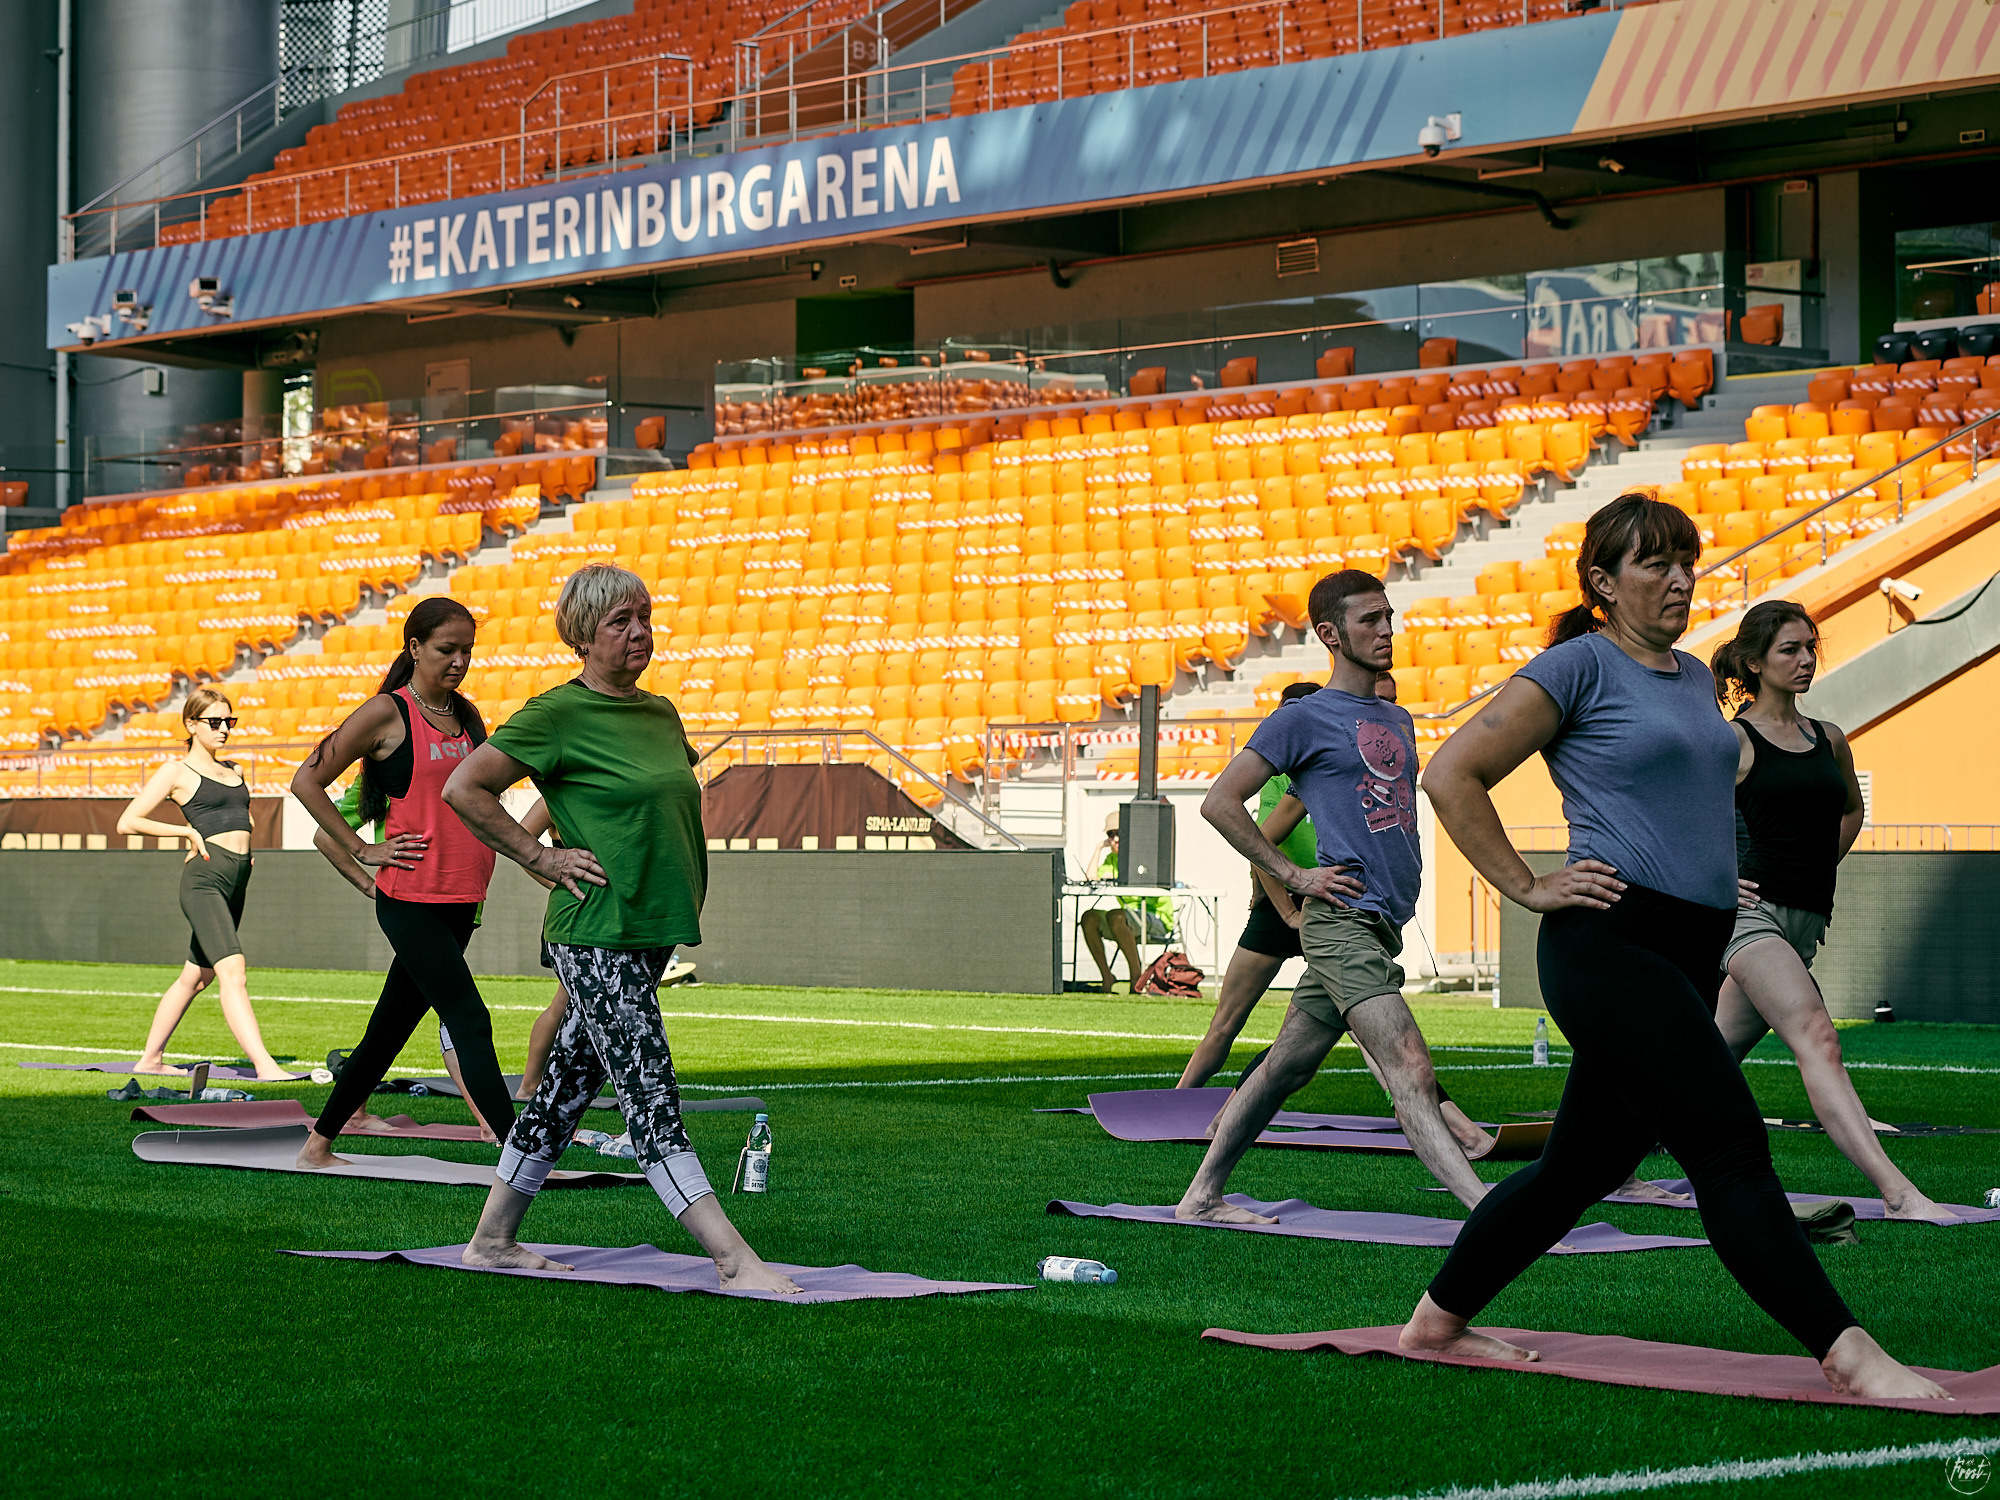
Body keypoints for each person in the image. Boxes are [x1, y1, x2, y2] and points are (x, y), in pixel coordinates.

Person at [1402, 493, 1945, 1401]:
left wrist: (1710, 875)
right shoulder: (1575, 666)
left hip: (1693, 943)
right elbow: (1450, 773)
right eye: (1655, 563)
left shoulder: (1696, 677)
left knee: (1579, 1168)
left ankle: (1435, 1321)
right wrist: (1529, 886)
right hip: (1608, 945)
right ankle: (1848, 1354)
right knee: (1728, 1144)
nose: (1680, 578)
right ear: (1603, 584)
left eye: (1687, 560)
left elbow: (1694, 799)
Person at [441, 563, 798, 1292]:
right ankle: (733, 1259)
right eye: (619, 622)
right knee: (648, 1087)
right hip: (595, 930)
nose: (638, 632)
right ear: (583, 635)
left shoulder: (660, 714)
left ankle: (492, 1239)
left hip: (649, 930)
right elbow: (463, 787)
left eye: (644, 617)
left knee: (564, 1087)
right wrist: (537, 854)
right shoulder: (555, 714)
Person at [1176, 570, 1493, 1220]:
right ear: (1329, 633)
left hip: (1380, 926)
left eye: (1389, 617)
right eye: (1370, 619)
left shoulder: (1397, 717)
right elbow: (1220, 802)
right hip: (1338, 923)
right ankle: (1490, 1214)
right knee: (1408, 1063)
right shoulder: (1303, 717)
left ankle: (1201, 1196)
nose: (1386, 630)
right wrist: (1293, 879)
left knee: (1285, 1068)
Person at [1710, 601, 1951, 1220]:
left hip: (1805, 919)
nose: (1805, 660)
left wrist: (1821, 864)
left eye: (1810, 648)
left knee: (1705, 1057)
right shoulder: (1731, 740)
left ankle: (1615, 1165)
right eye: (1789, 649)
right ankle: (1900, 1194)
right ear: (1754, 661)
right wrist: (1715, 880)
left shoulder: (1830, 739)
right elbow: (1681, 821)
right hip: (1749, 917)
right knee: (1818, 1036)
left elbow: (1850, 810)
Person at [288, 596, 520, 1169]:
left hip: (463, 897)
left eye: (468, 650)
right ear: (414, 648)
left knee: (387, 1032)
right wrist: (364, 849)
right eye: (447, 649)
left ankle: (317, 1145)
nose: (460, 661)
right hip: (410, 897)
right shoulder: (385, 713)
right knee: (469, 1017)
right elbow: (305, 781)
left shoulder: (467, 717)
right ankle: (522, 1157)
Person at [116, 687, 293, 1080]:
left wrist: (246, 850)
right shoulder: (176, 772)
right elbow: (129, 821)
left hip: (237, 876)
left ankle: (150, 1060)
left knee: (196, 976)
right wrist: (187, 834)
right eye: (215, 722)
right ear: (191, 724)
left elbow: (241, 818)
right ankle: (265, 1066)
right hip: (205, 879)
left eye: (229, 722)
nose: (224, 729)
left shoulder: (235, 770)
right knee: (234, 971)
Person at [1079, 813, 1173, 993]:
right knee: (1089, 917)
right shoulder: (1111, 859)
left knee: (1116, 915)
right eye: (1110, 834)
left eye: (1119, 833)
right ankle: (1107, 976)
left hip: (1157, 918)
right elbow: (1091, 877)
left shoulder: (1145, 855)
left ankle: (1136, 978)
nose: (1115, 839)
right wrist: (1099, 848)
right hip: (1126, 920)